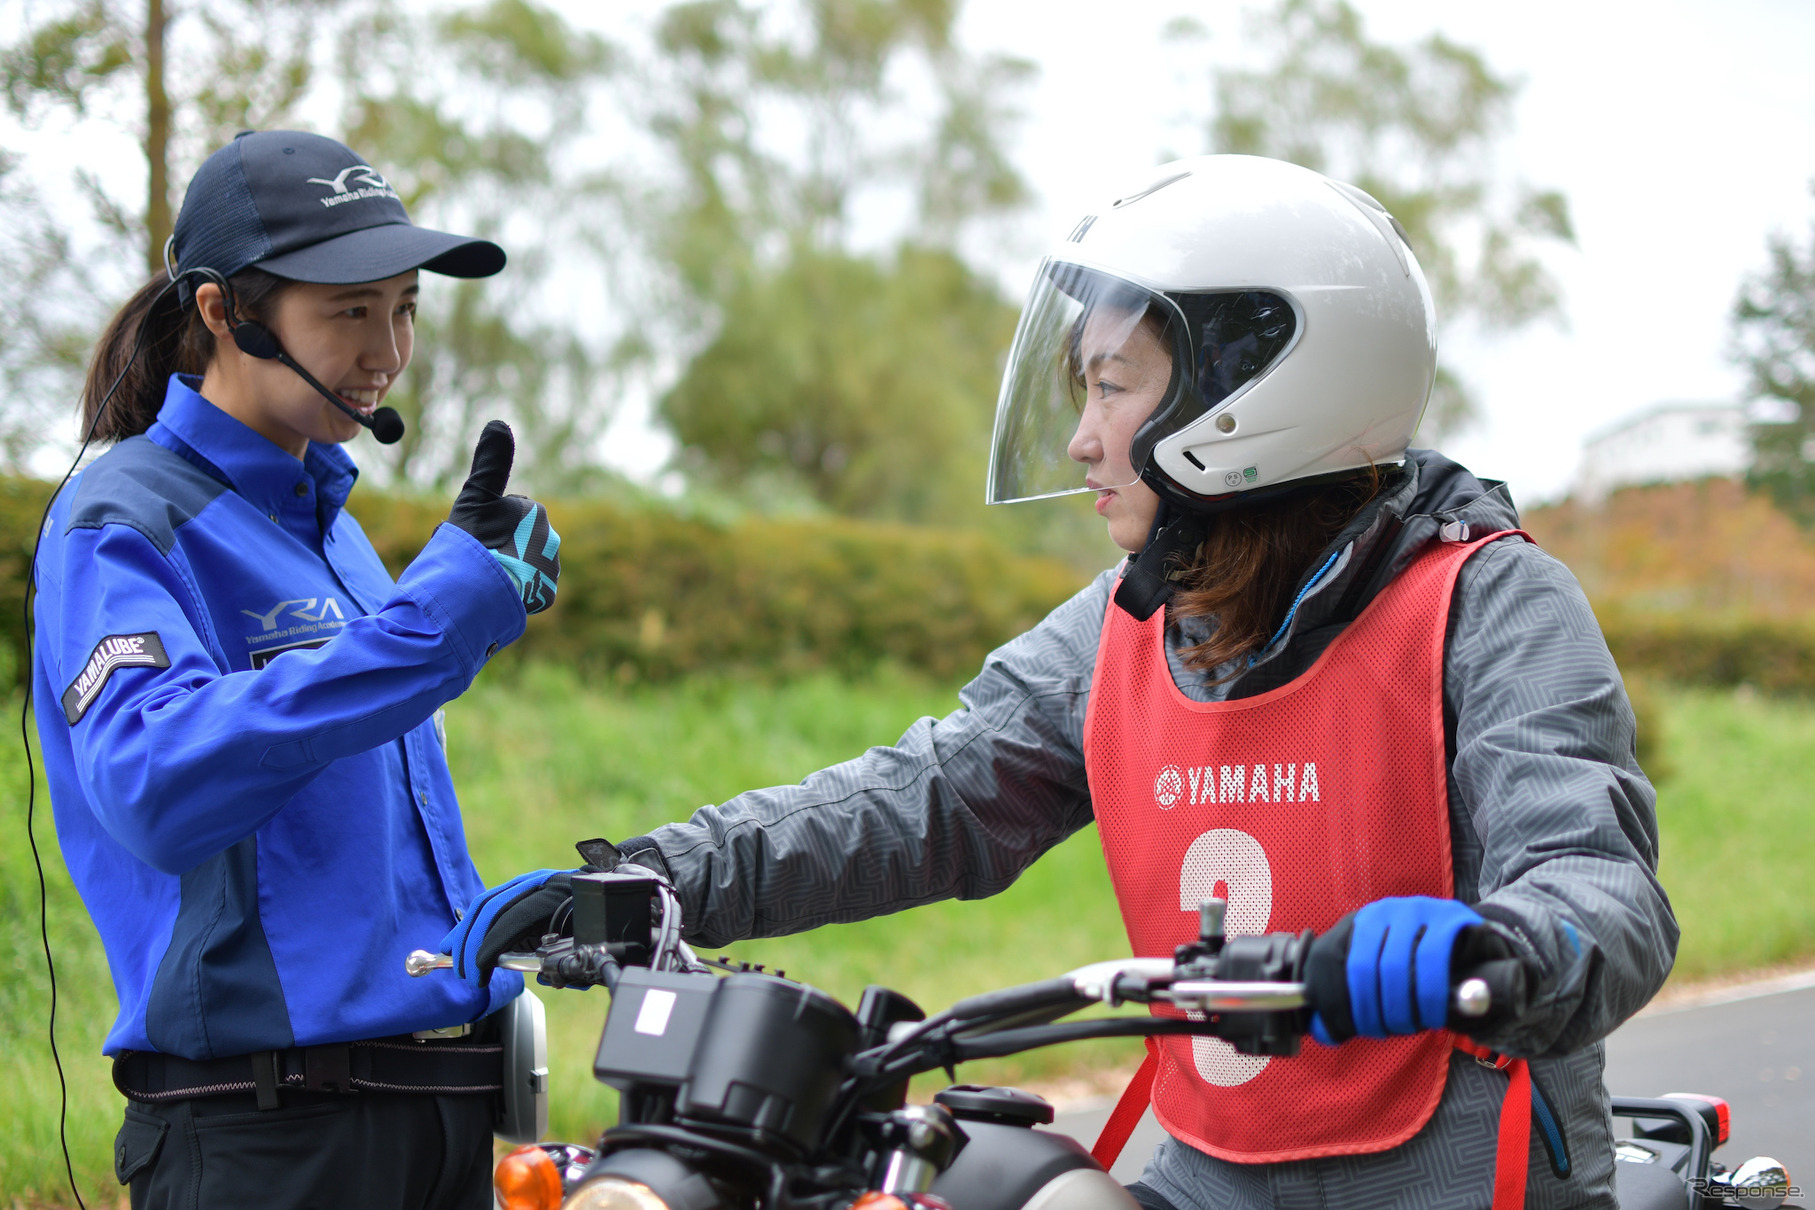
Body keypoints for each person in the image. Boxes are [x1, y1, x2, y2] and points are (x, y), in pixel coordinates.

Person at [451, 155, 1675, 1210]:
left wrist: (1501, 941)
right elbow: (930, 793)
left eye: (1113, 384)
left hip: (1467, 1175)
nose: (1084, 438)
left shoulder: (1485, 603)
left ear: (1254, 394)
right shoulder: (1130, 622)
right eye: (1081, 388)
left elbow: (1602, 884)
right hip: (1208, 1171)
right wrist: (661, 874)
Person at [33, 130, 561, 1209]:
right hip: (273, 1142)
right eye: (351, 309)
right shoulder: (120, 517)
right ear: (226, 312)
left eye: (405, 306)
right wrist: (432, 628)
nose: (390, 349)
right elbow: (156, 781)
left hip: (441, 1116)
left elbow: (343, 857)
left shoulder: (338, 530)